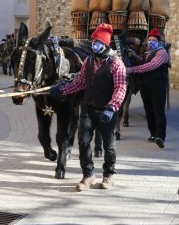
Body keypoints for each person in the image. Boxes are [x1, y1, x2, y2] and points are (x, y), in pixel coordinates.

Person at [51, 23, 127, 191]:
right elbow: (79, 83)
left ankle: (108, 175)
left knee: (109, 145)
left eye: (99, 43)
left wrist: (112, 107)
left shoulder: (116, 64)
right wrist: (61, 90)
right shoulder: (89, 61)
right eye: (94, 42)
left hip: (107, 110)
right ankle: (88, 175)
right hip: (88, 107)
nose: (95, 45)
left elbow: (121, 88)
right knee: (83, 141)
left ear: (106, 45)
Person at [126, 28, 169, 148]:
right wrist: (134, 55)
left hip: (157, 87)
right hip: (146, 86)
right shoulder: (148, 53)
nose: (151, 42)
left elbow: (151, 66)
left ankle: (160, 136)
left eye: (153, 40)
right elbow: (144, 63)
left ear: (159, 42)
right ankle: (153, 134)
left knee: (158, 111)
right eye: (149, 40)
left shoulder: (162, 53)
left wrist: (132, 69)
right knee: (149, 111)